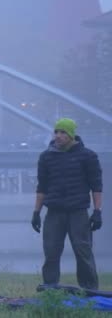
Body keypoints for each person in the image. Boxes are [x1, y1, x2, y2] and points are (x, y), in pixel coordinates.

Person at [31, 118, 103, 290]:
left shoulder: (88, 156)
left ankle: (90, 291)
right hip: (54, 212)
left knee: (82, 251)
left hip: (78, 212)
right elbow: (42, 187)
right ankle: (50, 289)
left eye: (63, 132)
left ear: (71, 135)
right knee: (51, 252)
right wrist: (36, 212)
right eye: (56, 132)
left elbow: (96, 186)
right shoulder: (46, 157)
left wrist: (97, 211)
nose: (58, 136)